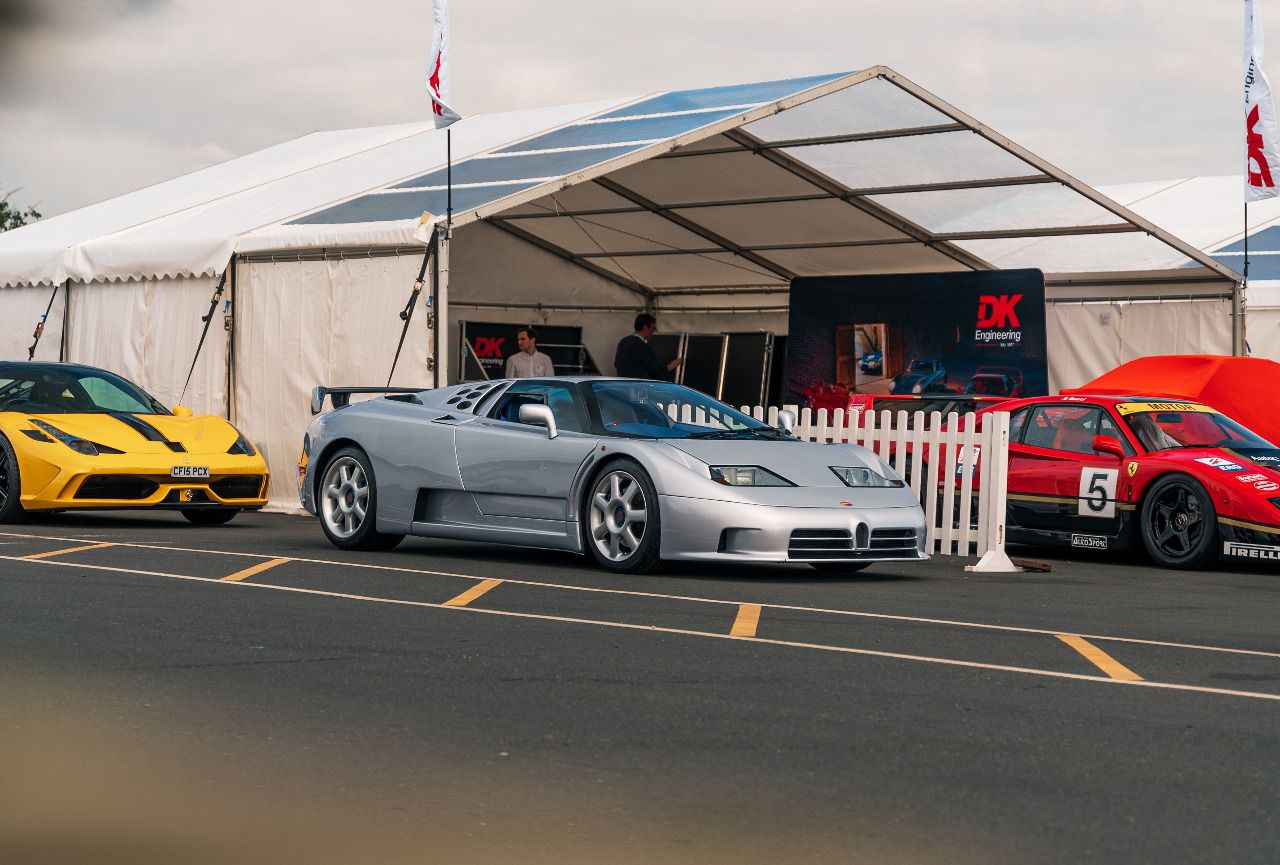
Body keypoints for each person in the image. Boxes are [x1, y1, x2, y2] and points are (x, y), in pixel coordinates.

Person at [614, 313, 683, 380]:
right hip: (639, 387)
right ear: (645, 327)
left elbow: (616, 364)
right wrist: (671, 366)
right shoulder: (642, 346)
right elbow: (655, 369)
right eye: (652, 328)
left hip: (623, 385)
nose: (653, 331)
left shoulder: (623, 341)